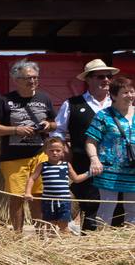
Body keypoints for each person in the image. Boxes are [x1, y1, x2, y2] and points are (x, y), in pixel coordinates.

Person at [0, 60, 56, 233]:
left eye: (35, 77)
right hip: (13, 158)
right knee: (16, 197)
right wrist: (16, 129)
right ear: (16, 80)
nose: (32, 81)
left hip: (40, 155)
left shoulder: (44, 98)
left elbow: (55, 123)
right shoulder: (5, 101)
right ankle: (17, 235)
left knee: (39, 196)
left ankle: (41, 235)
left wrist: (48, 125)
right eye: (27, 78)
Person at [59, 59, 117, 231]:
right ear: (88, 79)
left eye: (108, 77)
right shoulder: (72, 104)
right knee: (90, 205)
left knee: (117, 206)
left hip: (116, 164)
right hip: (84, 163)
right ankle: (90, 245)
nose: (106, 80)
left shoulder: (118, 103)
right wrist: (65, 150)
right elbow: (58, 132)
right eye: (100, 76)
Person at [83, 76, 135, 230]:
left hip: (133, 171)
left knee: (133, 210)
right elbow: (90, 141)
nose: (130, 95)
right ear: (113, 96)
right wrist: (94, 160)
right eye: (125, 92)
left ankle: (130, 244)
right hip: (108, 171)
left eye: (131, 91)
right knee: (107, 208)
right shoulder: (103, 115)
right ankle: (102, 241)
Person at [28, 136, 85, 237]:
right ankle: (52, 243)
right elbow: (32, 178)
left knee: (64, 225)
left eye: (58, 150)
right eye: (51, 150)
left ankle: (64, 243)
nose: (55, 153)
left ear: (63, 151)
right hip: (48, 201)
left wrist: (89, 173)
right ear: (46, 151)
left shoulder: (66, 165)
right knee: (50, 225)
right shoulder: (42, 165)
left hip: (64, 201)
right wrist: (28, 192)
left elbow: (76, 179)